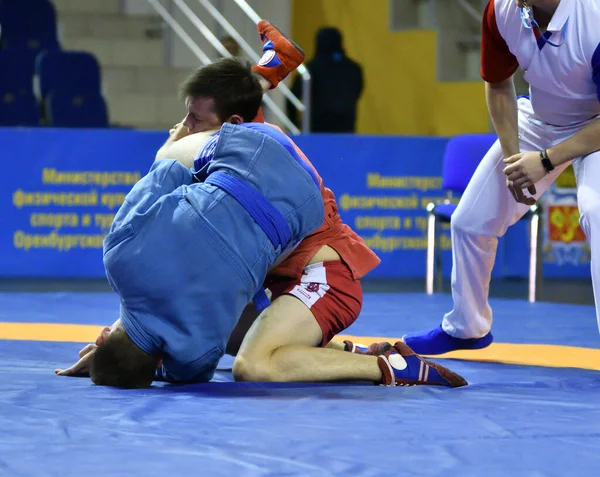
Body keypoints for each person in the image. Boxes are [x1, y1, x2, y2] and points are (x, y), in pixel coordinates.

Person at [56, 23, 468, 388]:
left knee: (254, 365)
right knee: (218, 324)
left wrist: (135, 354)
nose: (184, 126)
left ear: (234, 124)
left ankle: (388, 367)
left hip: (324, 273)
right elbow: (161, 287)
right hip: (279, 264)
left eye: (194, 120)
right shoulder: (232, 151)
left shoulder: (252, 152)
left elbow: (186, 356)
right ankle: (348, 350)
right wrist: (120, 342)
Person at [403, 0, 600, 354]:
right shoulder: (502, 10)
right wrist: (514, 161)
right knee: (469, 221)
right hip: (539, 121)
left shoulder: (594, 18)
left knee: (597, 210)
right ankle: (468, 327)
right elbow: (497, 86)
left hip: (595, 127)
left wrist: (546, 160)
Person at [287, 26, 363, 133]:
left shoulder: (310, 70)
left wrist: (294, 122)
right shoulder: (354, 68)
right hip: (346, 128)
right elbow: (358, 91)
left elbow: (292, 97)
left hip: (316, 129)